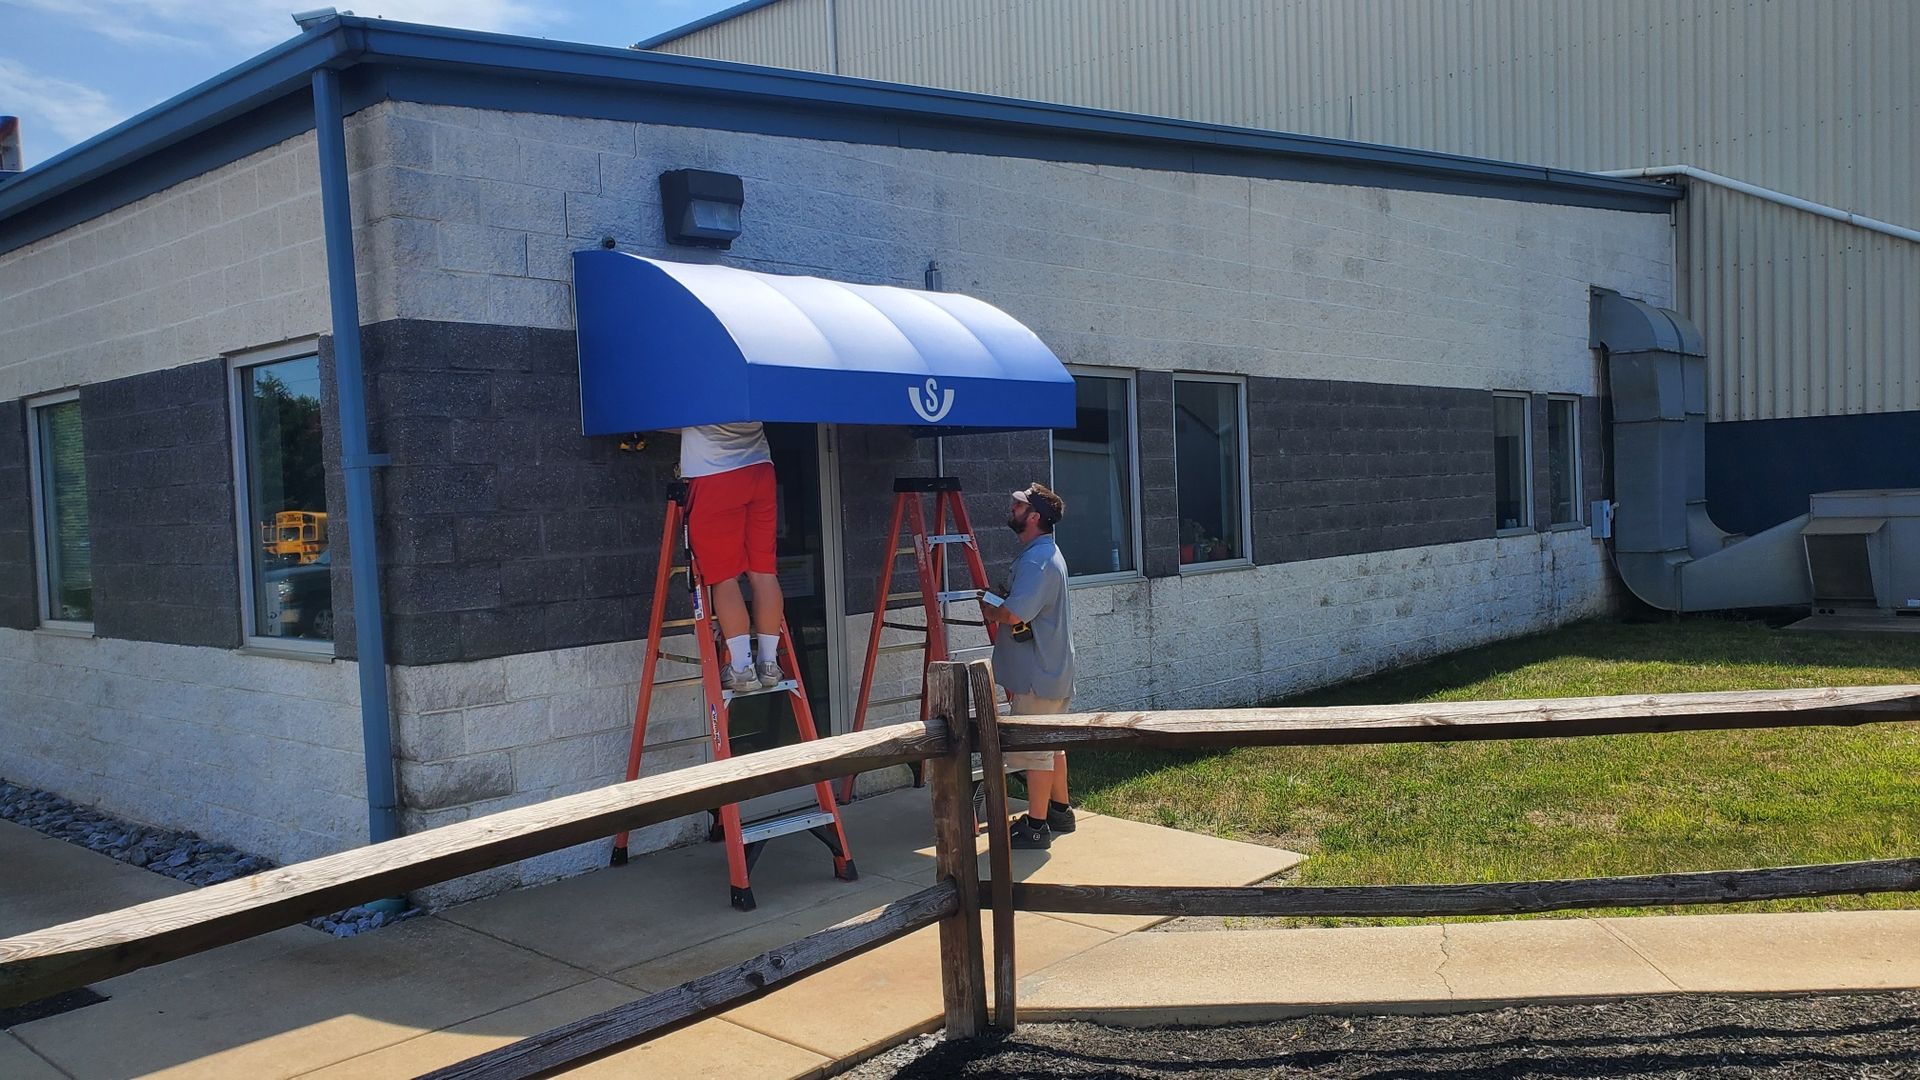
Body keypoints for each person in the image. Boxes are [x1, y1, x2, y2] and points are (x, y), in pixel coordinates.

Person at [980, 482, 1076, 849]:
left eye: (1019, 505)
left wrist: (991, 610)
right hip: (1052, 669)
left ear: (1034, 517)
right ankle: (1060, 811)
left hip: (1039, 675)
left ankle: (1036, 827)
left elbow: (1015, 613)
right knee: (1052, 745)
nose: (1012, 507)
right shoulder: (1043, 552)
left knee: (1036, 751)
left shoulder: (1038, 560)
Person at [680, 422, 784, 694]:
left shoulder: (698, 380)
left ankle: (741, 668)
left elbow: (670, 417)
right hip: (761, 467)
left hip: (713, 471)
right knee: (763, 571)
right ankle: (769, 663)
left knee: (724, 576)